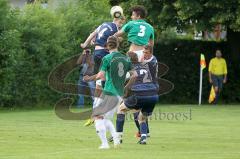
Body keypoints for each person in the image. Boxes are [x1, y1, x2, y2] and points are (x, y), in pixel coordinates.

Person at [83, 36, 135, 149]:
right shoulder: (126, 58)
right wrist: (126, 87)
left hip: (109, 92)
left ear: (107, 45)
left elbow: (101, 75)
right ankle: (116, 140)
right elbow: (134, 75)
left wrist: (89, 79)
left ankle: (105, 144)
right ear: (118, 44)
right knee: (106, 118)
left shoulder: (107, 58)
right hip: (119, 94)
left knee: (97, 116)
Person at [81, 14, 125, 126]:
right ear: (118, 21)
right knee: (107, 82)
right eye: (121, 23)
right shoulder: (115, 28)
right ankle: (102, 111)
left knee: (99, 84)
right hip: (104, 54)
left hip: (96, 53)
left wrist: (85, 44)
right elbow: (115, 41)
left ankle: (94, 113)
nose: (121, 26)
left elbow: (93, 34)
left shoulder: (103, 24)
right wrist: (119, 38)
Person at [115, 45, 159, 144]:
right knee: (141, 117)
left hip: (140, 94)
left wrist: (125, 90)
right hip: (153, 95)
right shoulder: (146, 66)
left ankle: (118, 137)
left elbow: (125, 80)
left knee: (121, 109)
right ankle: (143, 137)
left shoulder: (130, 68)